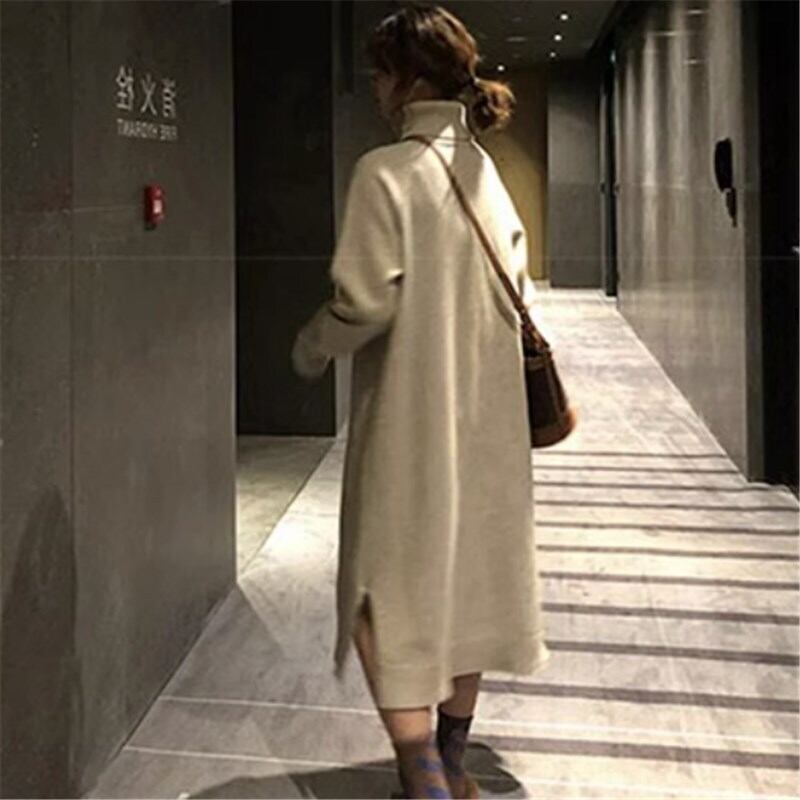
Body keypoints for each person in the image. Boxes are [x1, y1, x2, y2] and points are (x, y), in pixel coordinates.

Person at [291, 4, 551, 798]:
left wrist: (310, 346)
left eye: (379, 74)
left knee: (381, 589)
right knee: (469, 585)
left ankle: (423, 773)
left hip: (410, 420)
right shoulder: (487, 174)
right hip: (489, 420)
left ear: (406, 82)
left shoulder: (385, 172)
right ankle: (453, 761)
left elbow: (364, 301)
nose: (374, 88)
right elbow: (518, 285)